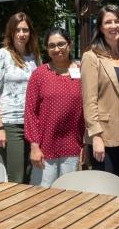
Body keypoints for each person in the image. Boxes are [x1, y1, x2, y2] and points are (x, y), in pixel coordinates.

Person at [81, 4, 119, 185]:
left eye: (117, 21)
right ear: (100, 27)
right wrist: (95, 136)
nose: (113, 26)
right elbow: (89, 101)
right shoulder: (92, 57)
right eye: (108, 22)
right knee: (109, 188)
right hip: (105, 135)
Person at [24, 27, 84, 187]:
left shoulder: (82, 72)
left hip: (73, 146)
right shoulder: (39, 74)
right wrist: (34, 146)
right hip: (45, 147)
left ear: (69, 44)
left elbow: (88, 110)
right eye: (52, 45)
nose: (57, 49)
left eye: (61, 44)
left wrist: (86, 145)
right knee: (42, 195)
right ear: (47, 48)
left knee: (69, 195)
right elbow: (30, 112)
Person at [0, 12, 40, 183]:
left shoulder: (34, 57)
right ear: (11, 32)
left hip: (32, 123)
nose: (22, 34)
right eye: (17, 30)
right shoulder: (1, 55)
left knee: (29, 174)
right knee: (16, 176)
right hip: (10, 123)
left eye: (25, 30)